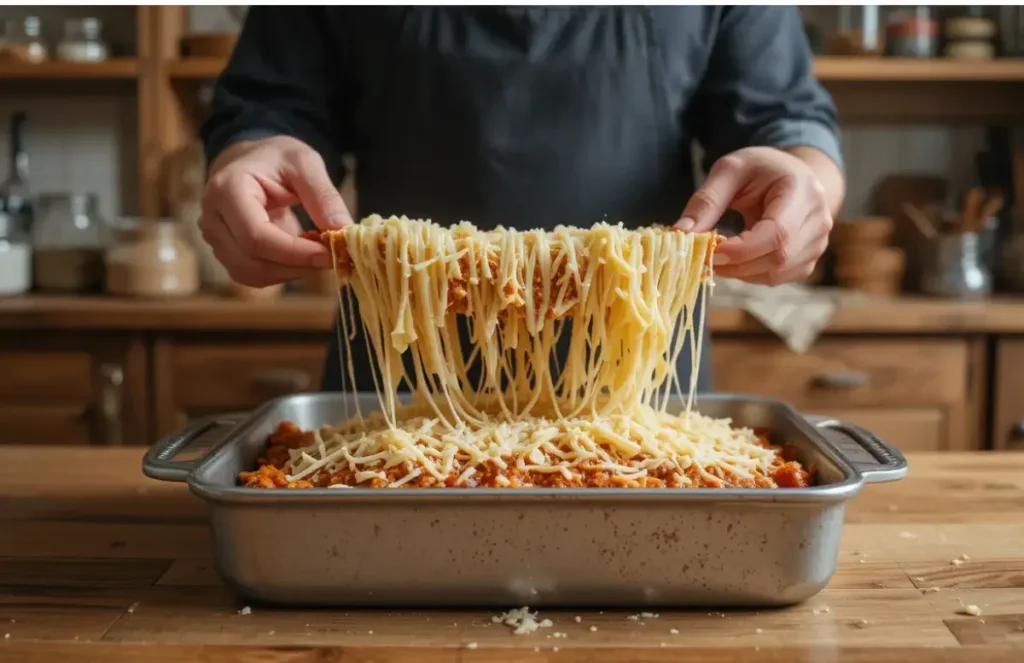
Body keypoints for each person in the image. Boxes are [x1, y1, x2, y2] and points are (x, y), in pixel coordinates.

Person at [200, 6, 845, 395]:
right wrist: (246, 156)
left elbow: (782, 115)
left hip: (640, 393)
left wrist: (807, 179)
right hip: (396, 382)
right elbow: (270, 105)